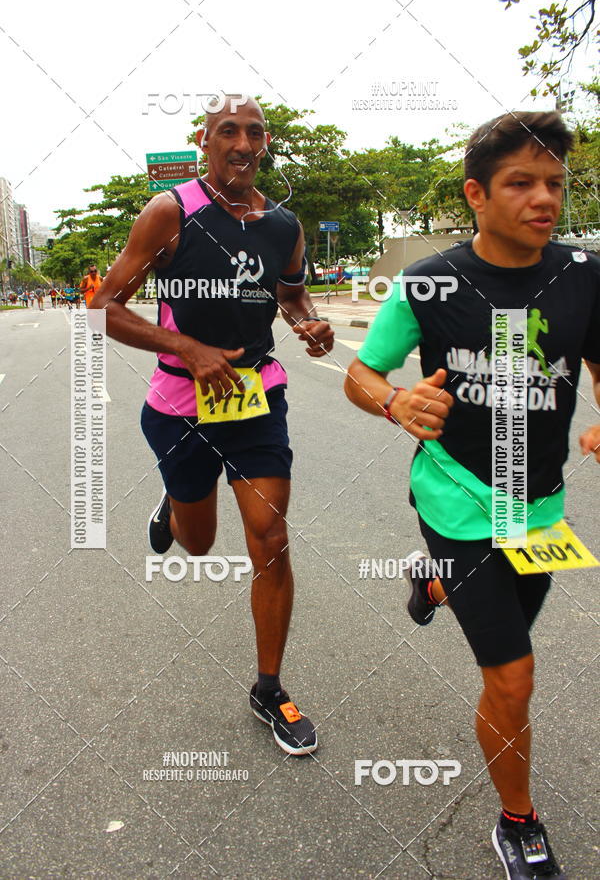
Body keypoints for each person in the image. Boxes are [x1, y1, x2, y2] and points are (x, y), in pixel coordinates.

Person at [344, 111, 600, 879]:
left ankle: (430, 585)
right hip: (455, 497)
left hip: (537, 503)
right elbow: (363, 372)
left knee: (513, 632)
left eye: (554, 182)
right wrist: (393, 403)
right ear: (476, 195)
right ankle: (518, 821)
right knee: (512, 674)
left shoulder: (585, 273)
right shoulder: (429, 282)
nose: (543, 198)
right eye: (521, 182)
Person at [91, 95, 334, 756]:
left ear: (265, 143)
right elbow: (102, 309)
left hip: (256, 398)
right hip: (180, 407)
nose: (243, 143)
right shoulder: (170, 212)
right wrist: (187, 350)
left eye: (254, 132)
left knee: (270, 537)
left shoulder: (284, 224)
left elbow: (289, 293)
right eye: (228, 130)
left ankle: (268, 688)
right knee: (198, 546)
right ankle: (175, 504)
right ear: (203, 140)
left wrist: (306, 321)